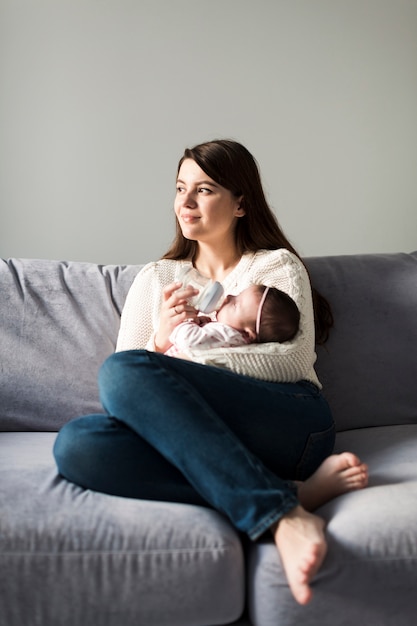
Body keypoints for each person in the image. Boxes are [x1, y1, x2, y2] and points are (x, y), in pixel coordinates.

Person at [53, 139, 368, 606]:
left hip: (287, 424)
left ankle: (281, 516)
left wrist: (175, 359)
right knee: (77, 444)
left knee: (129, 372)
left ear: (241, 203)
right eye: (180, 188)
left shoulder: (275, 266)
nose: (185, 202)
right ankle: (287, 498)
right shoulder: (157, 278)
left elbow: (291, 362)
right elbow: (121, 388)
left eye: (204, 189)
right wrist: (158, 340)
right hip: (207, 437)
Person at [165, 283, 301, 358]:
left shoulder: (226, 334)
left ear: (247, 334)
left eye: (235, 304)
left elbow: (188, 340)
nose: (229, 296)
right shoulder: (229, 337)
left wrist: (187, 322)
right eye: (237, 295)